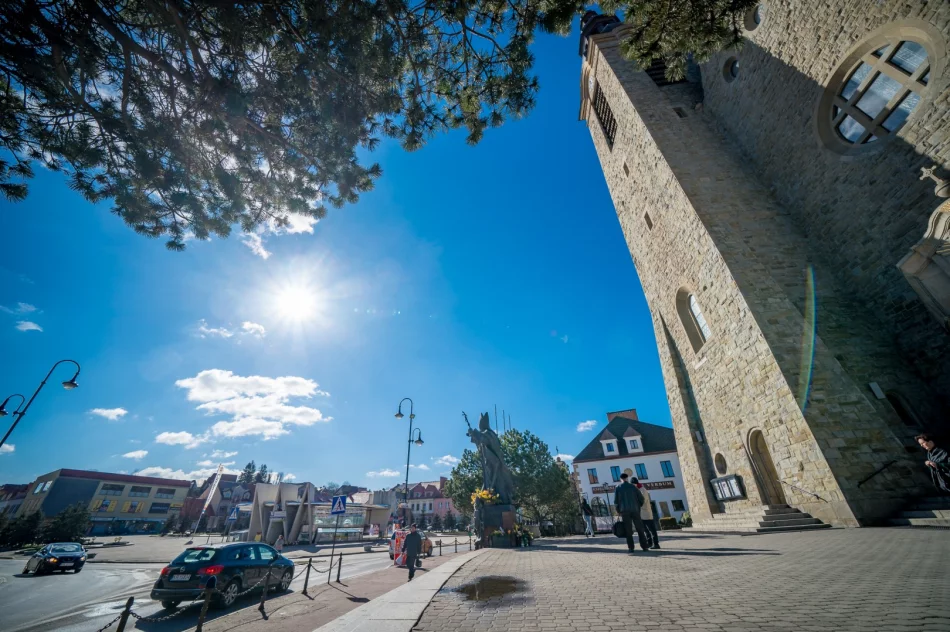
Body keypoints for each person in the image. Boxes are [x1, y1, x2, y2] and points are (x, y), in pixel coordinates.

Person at [614, 473, 649, 553]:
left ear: (621, 479)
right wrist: (638, 506)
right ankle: (644, 547)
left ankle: (631, 548)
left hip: (624, 511)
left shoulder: (618, 488)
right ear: (627, 478)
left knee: (628, 529)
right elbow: (641, 498)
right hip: (635, 510)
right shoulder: (633, 487)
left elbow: (616, 501)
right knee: (640, 528)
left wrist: (618, 510)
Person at [634, 479, 660, 549]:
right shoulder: (639, 489)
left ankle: (656, 544)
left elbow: (642, 501)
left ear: (635, 484)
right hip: (642, 514)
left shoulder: (642, 490)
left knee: (652, 530)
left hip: (646, 514)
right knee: (646, 530)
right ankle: (650, 543)